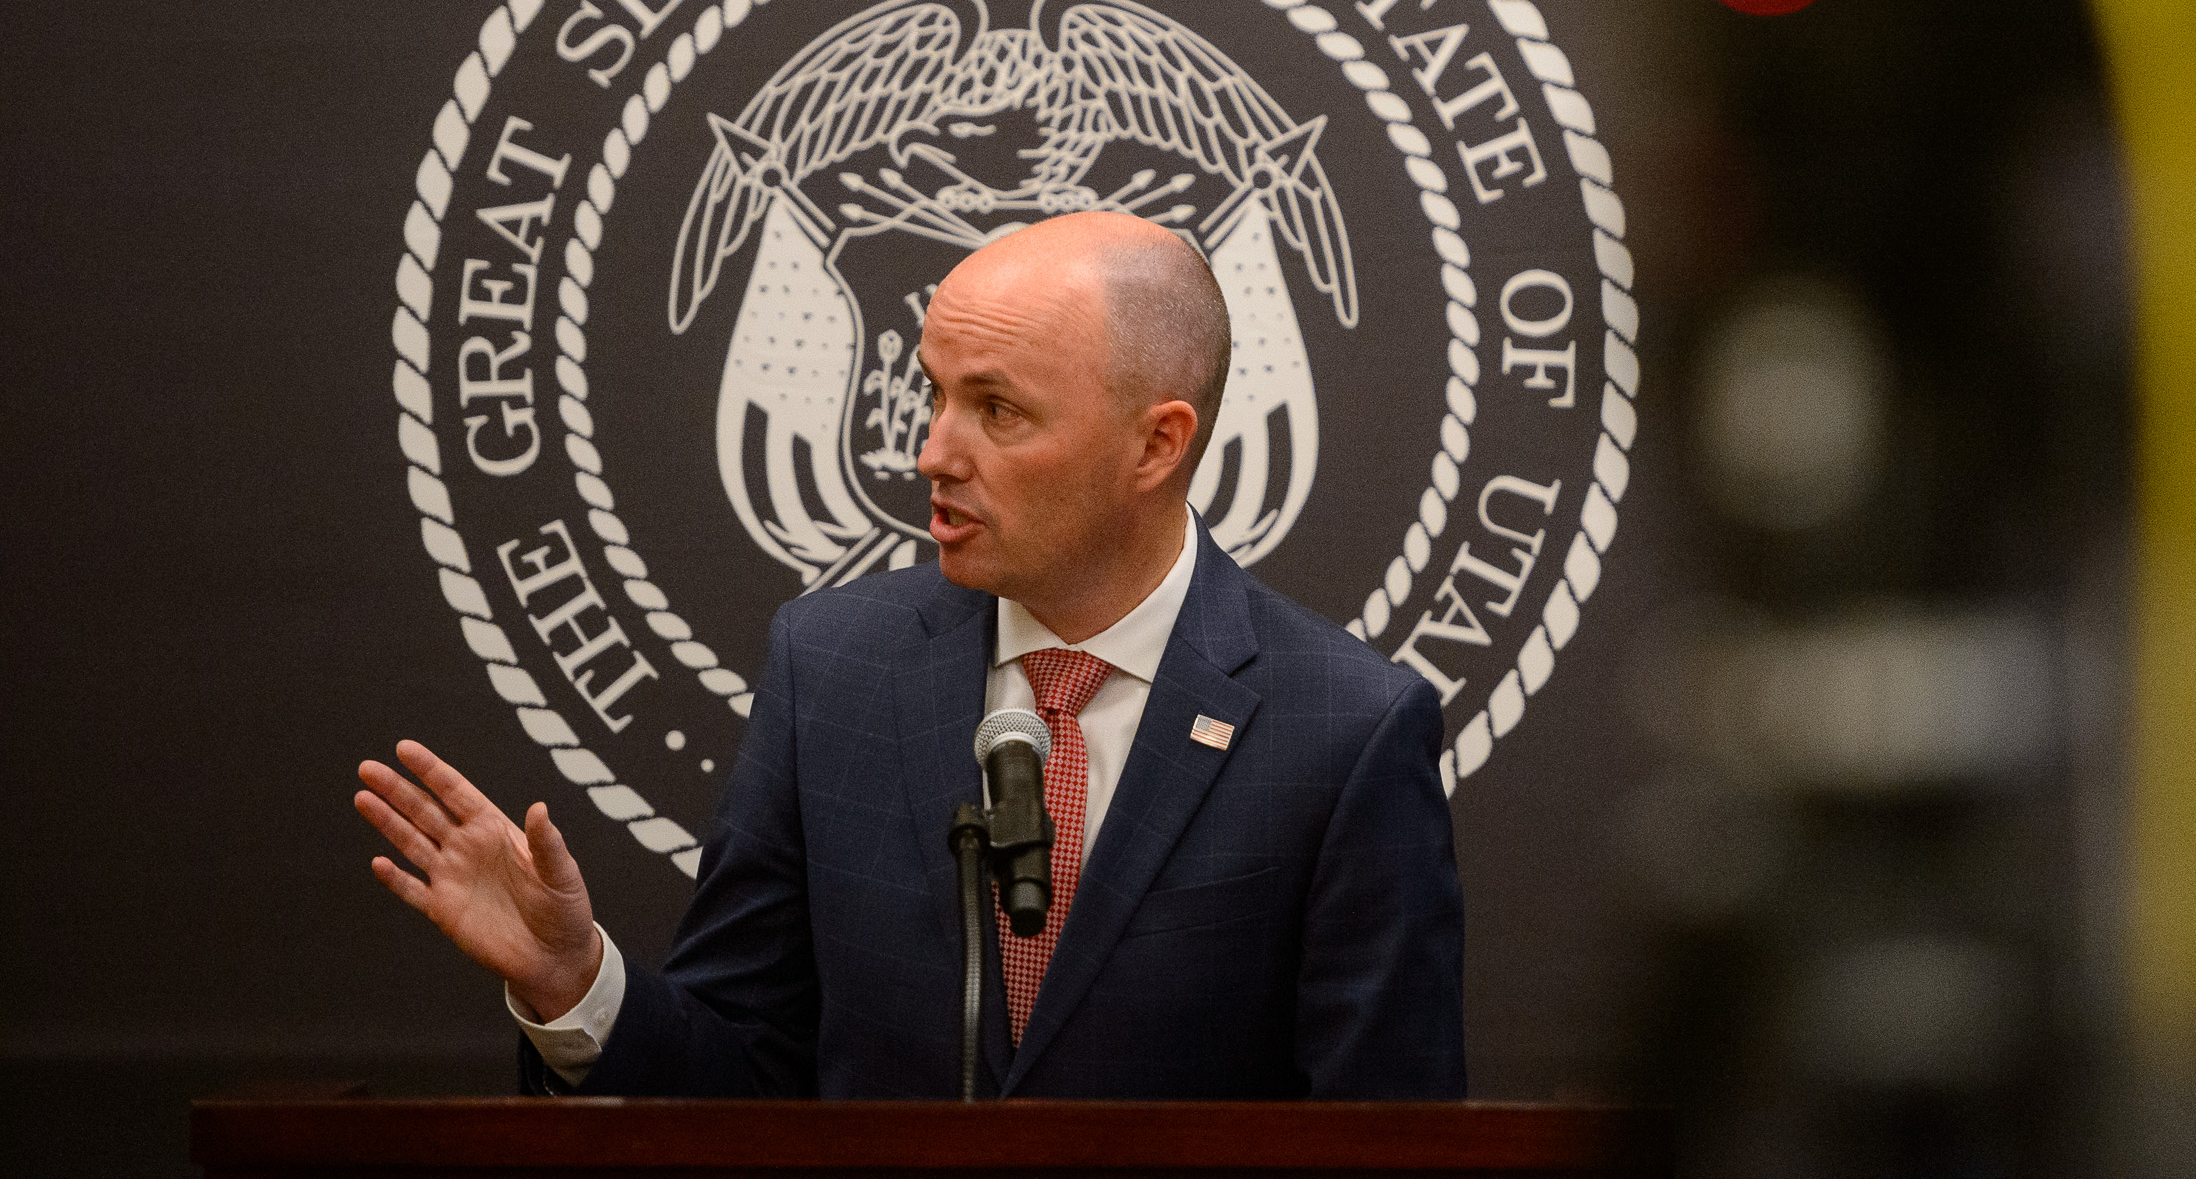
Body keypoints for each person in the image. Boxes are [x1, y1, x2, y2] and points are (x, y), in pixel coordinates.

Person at [354, 211, 1464, 1099]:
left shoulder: (1346, 732)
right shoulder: (831, 668)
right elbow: (743, 1078)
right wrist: (576, 984)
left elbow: (1387, 1147)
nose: (930, 451)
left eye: (998, 410)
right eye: (934, 391)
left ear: (1156, 444)